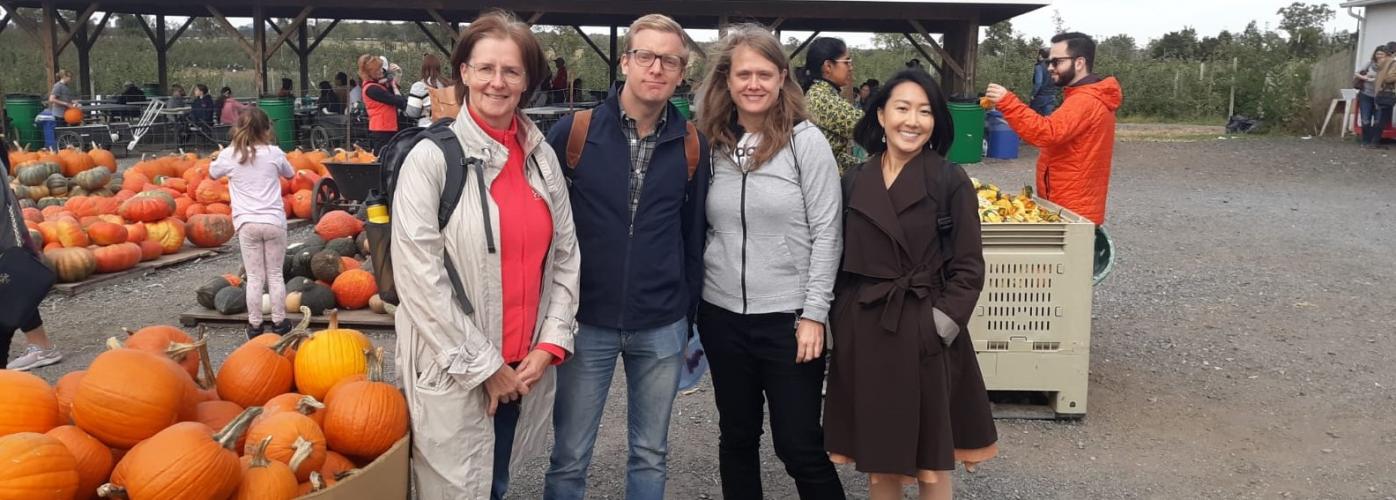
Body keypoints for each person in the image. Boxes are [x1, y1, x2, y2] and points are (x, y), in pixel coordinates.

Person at [391, 11, 579, 499]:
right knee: (456, 489)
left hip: (523, 369)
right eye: (485, 68)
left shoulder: (541, 156)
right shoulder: (431, 159)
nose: (497, 82)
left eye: (512, 71)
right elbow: (419, 281)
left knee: (495, 483)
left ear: (527, 82)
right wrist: (485, 369)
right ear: (465, 73)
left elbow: (565, 256)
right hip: (459, 371)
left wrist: (549, 345)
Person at [542, 13, 710, 500]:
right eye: (646, 56)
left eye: (669, 60)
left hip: (661, 322)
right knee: (570, 455)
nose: (656, 68)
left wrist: (686, 310)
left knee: (650, 453)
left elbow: (692, 234)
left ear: (681, 72)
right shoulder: (574, 133)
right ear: (626, 62)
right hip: (585, 317)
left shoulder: (691, 145)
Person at [825, 69, 998, 500]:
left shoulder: (949, 180)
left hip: (925, 333)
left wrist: (939, 324)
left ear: (936, 122)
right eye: (902, 108)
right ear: (881, 115)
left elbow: (969, 267)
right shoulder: (853, 180)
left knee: (931, 466)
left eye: (925, 111)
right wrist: (842, 321)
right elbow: (838, 261)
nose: (913, 120)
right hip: (867, 330)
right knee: (879, 464)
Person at [694, 24, 845, 500]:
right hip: (721, 315)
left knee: (799, 446)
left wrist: (815, 313)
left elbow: (828, 232)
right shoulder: (710, 144)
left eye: (764, 73)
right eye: (743, 74)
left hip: (788, 320)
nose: (753, 84)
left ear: (783, 78)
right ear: (727, 80)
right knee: (736, 438)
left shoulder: (806, 143)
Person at [985, 32, 1122, 225]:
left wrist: (1008, 102)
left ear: (1079, 63)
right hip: (1075, 204)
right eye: (1049, 61)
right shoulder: (1084, 97)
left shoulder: (1084, 101)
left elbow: (1046, 133)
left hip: (1072, 210)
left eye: (1057, 62)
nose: (1050, 67)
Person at [209, 107, 296, 338]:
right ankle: (280, 323)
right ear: (267, 130)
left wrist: (219, 156)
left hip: (247, 223)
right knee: (275, 275)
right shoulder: (275, 153)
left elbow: (212, 174)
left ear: (239, 129)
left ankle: (255, 326)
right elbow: (290, 174)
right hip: (273, 221)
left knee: (255, 277)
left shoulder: (229, 155)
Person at [1, 140, 63, 371]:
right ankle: (41, 345)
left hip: (3, 234)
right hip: (6, 231)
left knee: (12, 283)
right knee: (12, 284)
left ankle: (41, 345)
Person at [801, 37, 862, 174]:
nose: (851, 68)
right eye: (847, 62)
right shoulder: (822, 98)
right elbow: (867, 126)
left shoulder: (821, 93)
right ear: (828, 66)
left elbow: (834, 155)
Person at [359, 54, 407, 153]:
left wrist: (396, 77)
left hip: (386, 127)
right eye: (378, 69)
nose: (382, 71)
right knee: (383, 158)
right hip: (382, 129)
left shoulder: (376, 86)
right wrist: (393, 85)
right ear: (371, 73)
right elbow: (399, 101)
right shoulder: (373, 89)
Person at [405, 53, 450, 127]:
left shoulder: (419, 86)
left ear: (423, 68)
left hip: (428, 128)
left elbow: (412, 113)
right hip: (448, 128)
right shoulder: (448, 84)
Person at [42, 70, 80, 150]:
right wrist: (66, 104)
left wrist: (73, 102)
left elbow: (67, 100)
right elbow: (52, 99)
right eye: (69, 77)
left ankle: (68, 148)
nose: (70, 79)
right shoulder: (58, 86)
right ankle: (61, 150)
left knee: (68, 132)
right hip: (59, 114)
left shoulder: (66, 87)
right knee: (61, 134)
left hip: (67, 114)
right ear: (64, 77)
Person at [1030, 48, 1056, 116]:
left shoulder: (1039, 66)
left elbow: (1038, 82)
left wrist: (1033, 94)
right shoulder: (1054, 66)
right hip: (1051, 96)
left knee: (1031, 117)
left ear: (1041, 55)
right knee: (1047, 119)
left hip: (1040, 96)